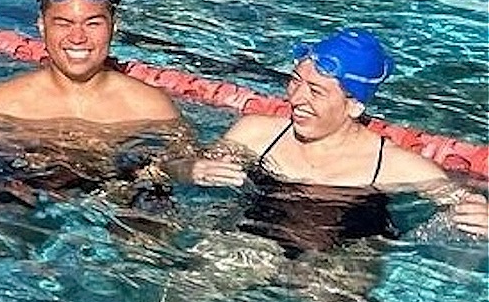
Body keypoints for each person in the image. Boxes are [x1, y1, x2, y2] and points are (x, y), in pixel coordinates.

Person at [192, 29, 489, 255]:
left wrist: (481, 216)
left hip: (342, 256)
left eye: (316, 92)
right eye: (295, 81)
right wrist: (193, 169)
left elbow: (463, 203)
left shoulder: (396, 166)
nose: (296, 99)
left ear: (355, 106)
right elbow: (176, 166)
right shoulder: (254, 133)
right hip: (250, 240)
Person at [0, 0, 185, 206]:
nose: (77, 38)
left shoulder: (152, 107)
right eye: (63, 23)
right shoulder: (5, 102)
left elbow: (184, 163)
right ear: (41, 26)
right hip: (31, 182)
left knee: (149, 227)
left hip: (121, 185)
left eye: (92, 23)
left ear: (114, 26)